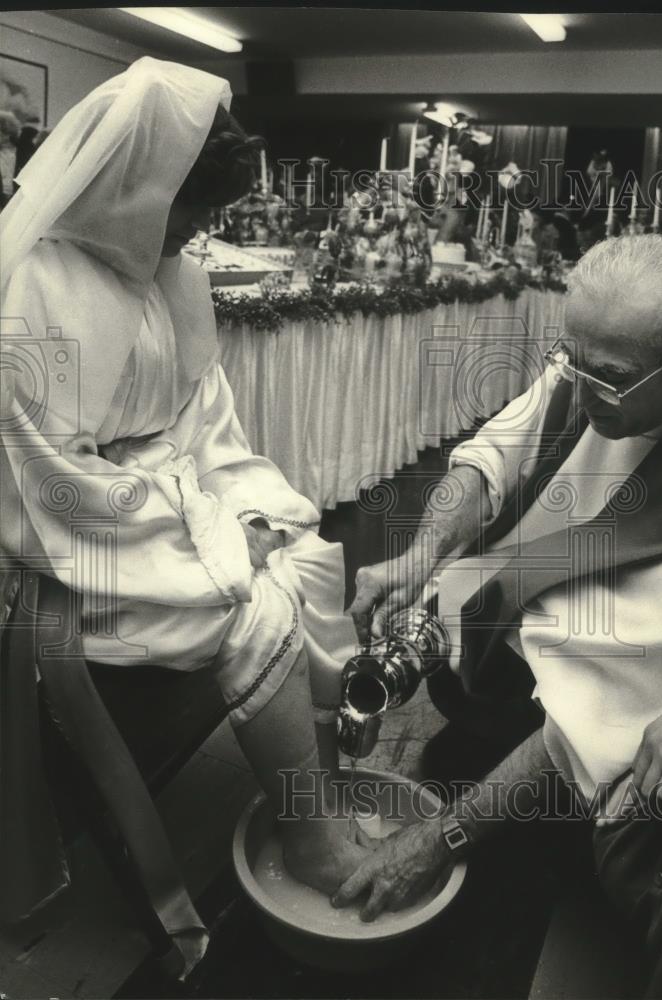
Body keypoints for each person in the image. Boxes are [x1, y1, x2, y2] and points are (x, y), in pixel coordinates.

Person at [340, 235, 662, 997]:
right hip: (529, 636)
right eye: (570, 358)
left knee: (505, 876)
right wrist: (422, 553)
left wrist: (439, 841)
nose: (579, 386)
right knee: (459, 729)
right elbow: (490, 457)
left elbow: (599, 709)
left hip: (604, 722)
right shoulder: (597, 367)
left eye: (606, 379)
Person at [0, 58, 368, 920]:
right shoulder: (30, 287)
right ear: (134, 186)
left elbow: (208, 430)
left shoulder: (176, 274)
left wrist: (251, 515)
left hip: (172, 511)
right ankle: (310, 833)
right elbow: (43, 482)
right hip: (65, 553)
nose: (198, 230)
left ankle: (318, 787)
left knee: (308, 555)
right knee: (253, 608)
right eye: (190, 206)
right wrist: (208, 544)